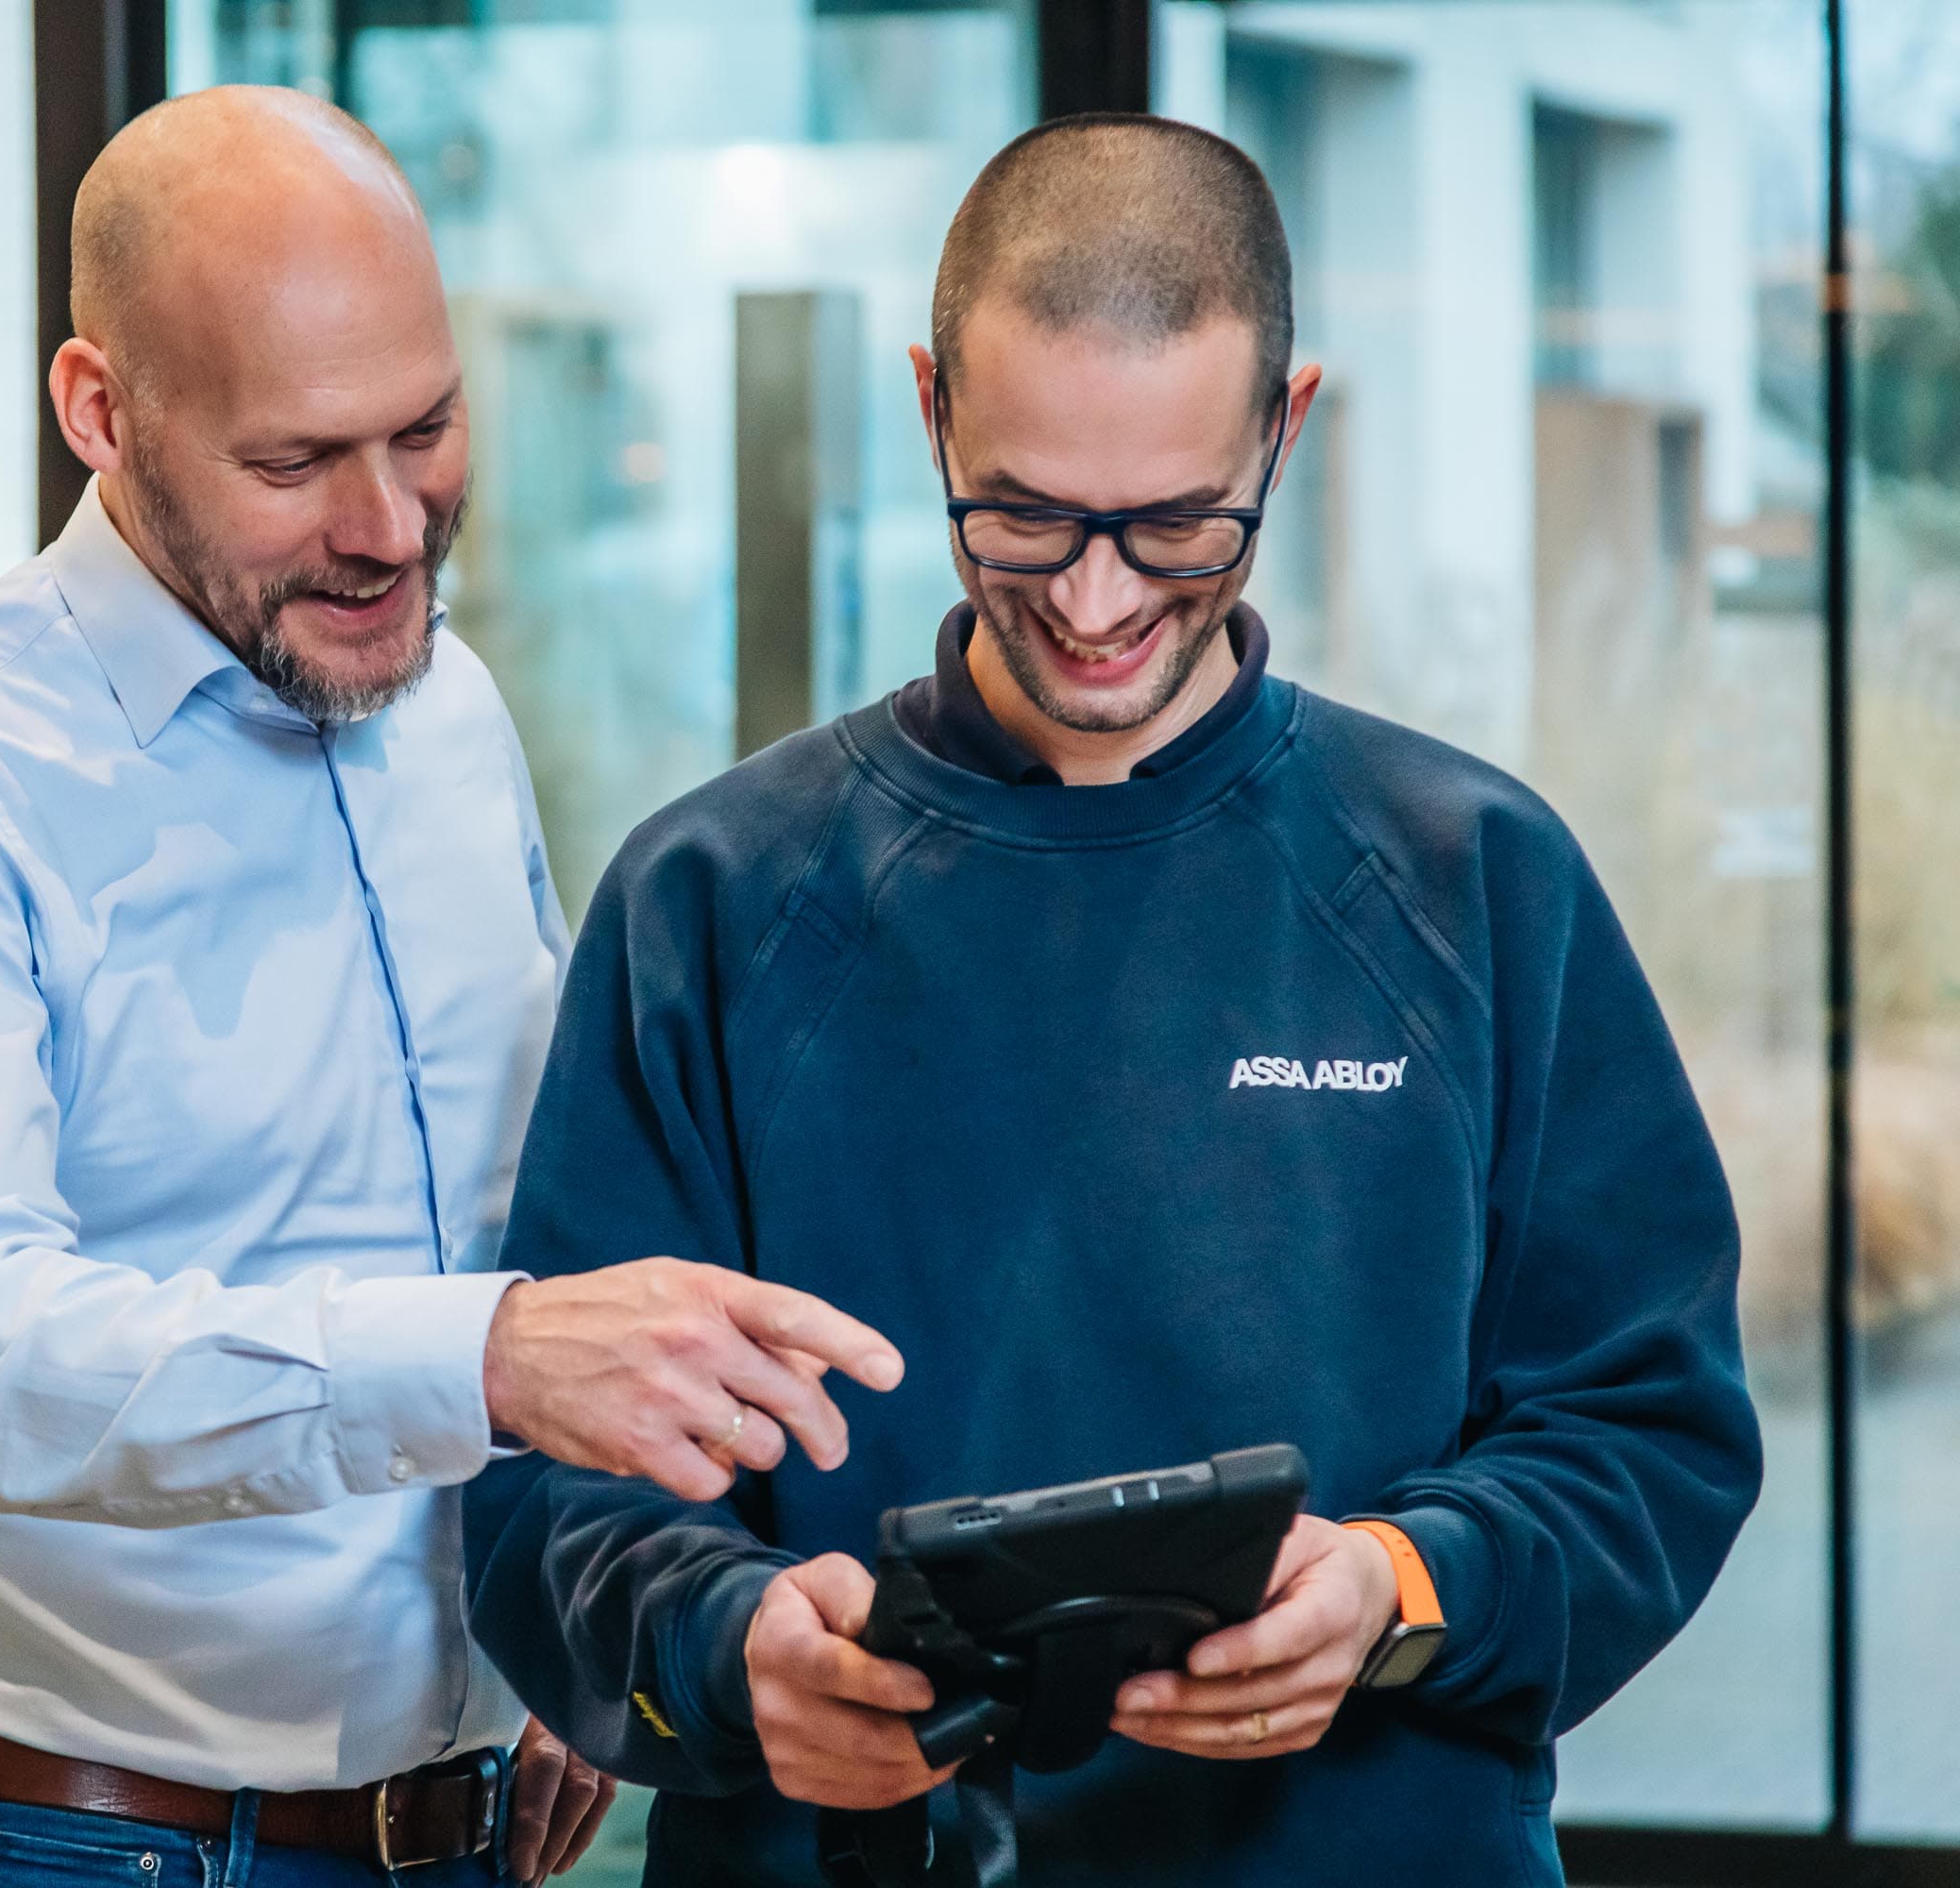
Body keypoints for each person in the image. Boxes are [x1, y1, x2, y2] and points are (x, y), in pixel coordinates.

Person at [460, 112, 1765, 1886]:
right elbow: (550, 1495)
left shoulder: (1476, 881)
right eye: (1020, 514)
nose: (1091, 600)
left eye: (1173, 527)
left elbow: (1651, 1428)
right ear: (929, 406)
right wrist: (735, 1649)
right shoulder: (714, 902)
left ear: (1285, 428)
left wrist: (1407, 1584)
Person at [0, 86, 903, 1888]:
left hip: (450, 1836)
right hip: (40, 1841)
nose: (389, 527)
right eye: (294, 465)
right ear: (99, 414)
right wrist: (493, 1359)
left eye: (427, 427)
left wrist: (544, 1642)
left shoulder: (444, 711)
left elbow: (495, 1211)